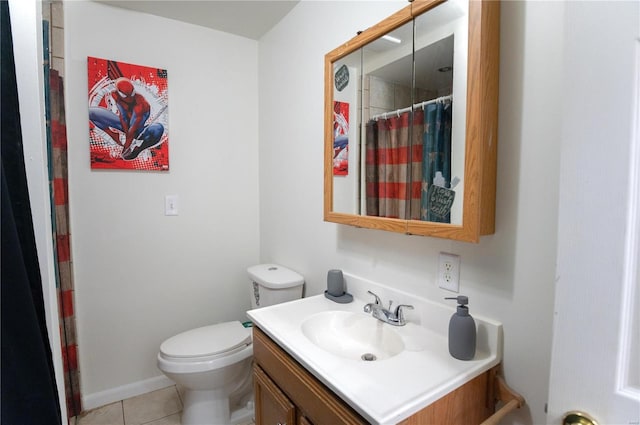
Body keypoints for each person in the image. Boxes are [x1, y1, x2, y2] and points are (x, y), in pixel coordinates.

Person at [89, 77, 164, 160]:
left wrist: (126, 148)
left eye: (131, 94)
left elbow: (133, 128)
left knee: (158, 128)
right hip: (125, 125)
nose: (129, 99)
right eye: (125, 96)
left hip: (138, 129)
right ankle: (112, 134)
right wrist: (121, 135)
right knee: (91, 112)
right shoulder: (115, 95)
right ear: (118, 92)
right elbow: (123, 116)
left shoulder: (141, 105)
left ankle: (139, 149)